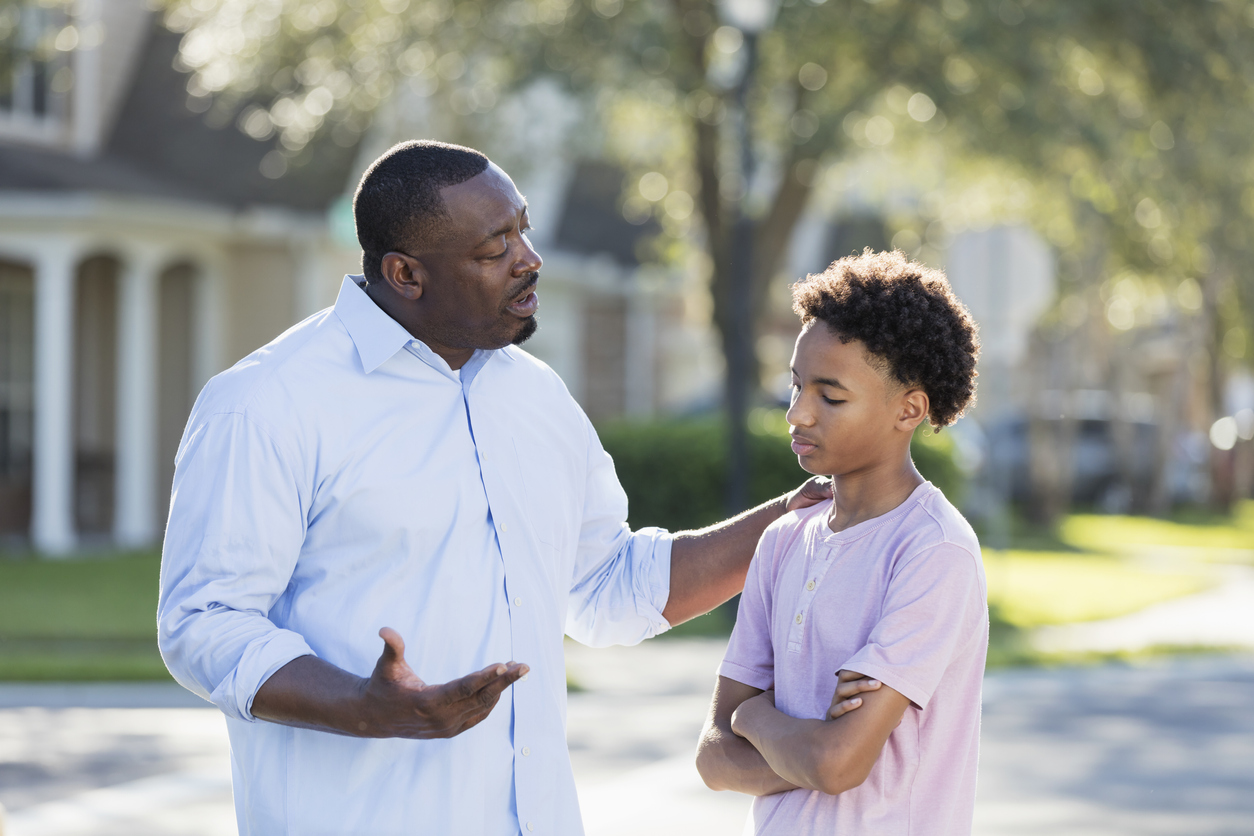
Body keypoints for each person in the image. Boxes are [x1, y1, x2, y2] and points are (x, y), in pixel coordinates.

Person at [157, 140, 828, 836]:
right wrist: (365, 703)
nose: (529, 258)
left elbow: (607, 586)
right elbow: (204, 619)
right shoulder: (269, 401)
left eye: (523, 229)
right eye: (494, 247)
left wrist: (797, 514)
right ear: (406, 274)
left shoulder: (536, 397)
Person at [694, 249, 985, 835]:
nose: (798, 413)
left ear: (910, 409)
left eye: (830, 396)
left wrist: (756, 715)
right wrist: (802, 742)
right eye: (797, 385)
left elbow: (837, 764)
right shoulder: (783, 540)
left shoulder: (933, 552)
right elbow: (713, 757)